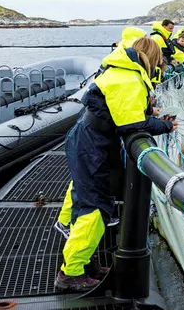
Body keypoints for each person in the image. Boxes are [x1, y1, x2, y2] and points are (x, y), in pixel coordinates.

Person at [54, 36, 176, 292]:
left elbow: (125, 113)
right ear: (152, 58)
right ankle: (71, 272)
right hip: (93, 146)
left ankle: (85, 262)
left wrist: (151, 117)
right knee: (94, 207)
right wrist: (165, 126)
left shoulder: (120, 70)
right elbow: (131, 125)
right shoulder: (130, 79)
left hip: (90, 141)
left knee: (89, 201)